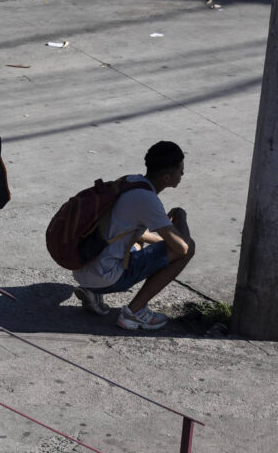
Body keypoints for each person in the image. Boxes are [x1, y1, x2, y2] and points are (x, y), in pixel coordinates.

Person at [72, 141, 195, 330]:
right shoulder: (148, 201)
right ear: (167, 177)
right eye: (181, 170)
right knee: (190, 247)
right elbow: (182, 247)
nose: (183, 174)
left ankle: (92, 291)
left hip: (84, 267)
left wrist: (163, 241)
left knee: (139, 239)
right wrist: (181, 217)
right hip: (105, 277)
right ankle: (134, 313)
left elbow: (132, 232)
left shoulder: (130, 181)